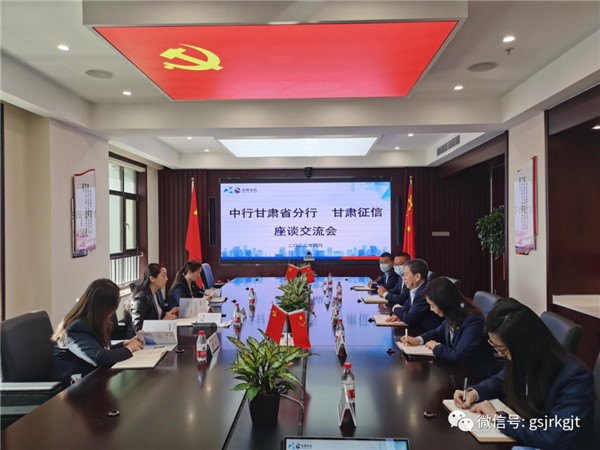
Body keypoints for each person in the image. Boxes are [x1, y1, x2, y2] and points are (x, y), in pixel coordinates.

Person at [453, 298, 594, 450]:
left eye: (503, 349)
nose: (502, 355)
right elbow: (501, 380)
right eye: (496, 347)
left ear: (526, 344)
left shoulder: (576, 378)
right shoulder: (524, 356)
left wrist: (498, 419)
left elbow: (552, 437)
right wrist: (474, 393)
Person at [52, 279, 143, 387]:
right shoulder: (75, 328)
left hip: (92, 376)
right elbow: (99, 358)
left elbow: (100, 349)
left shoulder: (91, 321)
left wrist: (125, 344)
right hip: (73, 387)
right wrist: (129, 348)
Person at [400, 276, 498, 378]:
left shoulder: (472, 319)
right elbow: (438, 332)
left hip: (473, 375)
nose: (431, 309)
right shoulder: (454, 311)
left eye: (433, 305)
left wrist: (437, 347)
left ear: (444, 303)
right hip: (456, 370)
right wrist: (418, 340)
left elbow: (459, 356)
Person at [385, 259, 443, 333]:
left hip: (427, 333)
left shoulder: (425, 292)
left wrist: (396, 309)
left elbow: (409, 319)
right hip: (418, 329)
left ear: (417, 276)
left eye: (405, 274)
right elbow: (406, 305)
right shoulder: (415, 289)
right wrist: (399, 315)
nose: (403, 278)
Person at [124, 263, 179, 338]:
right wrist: (163, 321)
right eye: (163, 276)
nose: (167, 279)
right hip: (138, 341)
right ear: (152, 279)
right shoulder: (140, 299)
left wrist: (168, 314)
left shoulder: (157, 293)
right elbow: (138, 328)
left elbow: (154, 317)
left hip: (154, 336)